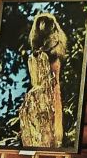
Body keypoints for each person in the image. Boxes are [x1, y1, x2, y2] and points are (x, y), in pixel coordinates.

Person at [18, 12, 67, 149]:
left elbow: (54, 43)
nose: (43, 24)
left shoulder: (54, 32)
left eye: (45, 21)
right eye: (41, 21)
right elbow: (34, 44)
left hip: (53, 61)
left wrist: (44, 51)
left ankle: (58, 134)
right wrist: (38, 51)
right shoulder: (35, 34)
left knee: (55, 92)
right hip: (41, 67)